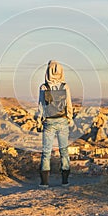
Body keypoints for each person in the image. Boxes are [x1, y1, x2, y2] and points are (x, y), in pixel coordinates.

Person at [37, 60, 73, 188]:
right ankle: (65, 181)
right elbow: (69, 104)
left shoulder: (43, 87)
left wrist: (39, 120)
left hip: (49, 121)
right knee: (64, 151)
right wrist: (70, 117)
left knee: (46, 151)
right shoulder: (65, 87)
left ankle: (44, 182)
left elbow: (41, 106)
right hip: (63, 120)